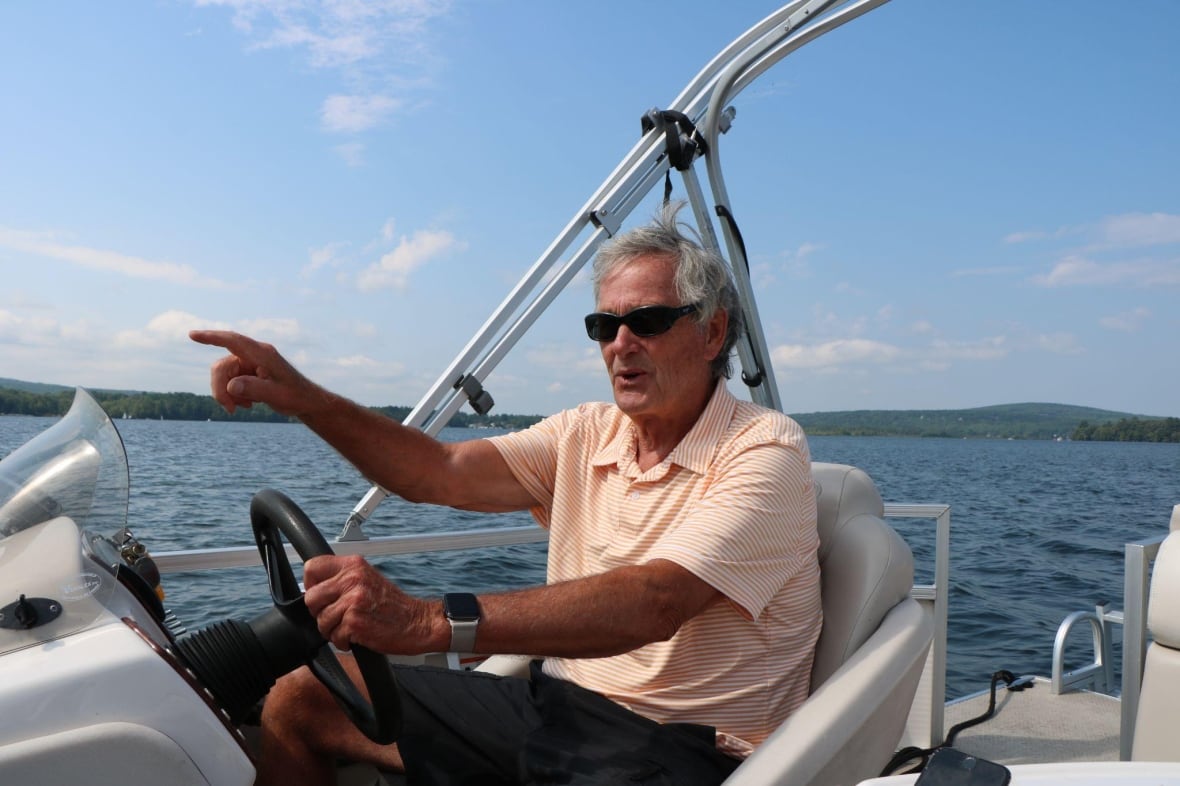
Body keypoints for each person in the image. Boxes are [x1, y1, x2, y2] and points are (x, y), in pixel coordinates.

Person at [190, 204, 821, 786]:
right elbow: (436, 468)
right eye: (604, 325)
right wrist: (303, 396)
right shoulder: (585, 432)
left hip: (680, 747)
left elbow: (655, 601)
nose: (620, 343)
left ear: (712, 335)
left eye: (647, 322)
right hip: (553, 704)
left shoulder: (766, 451)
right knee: (300, 698)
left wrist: (422, 621)